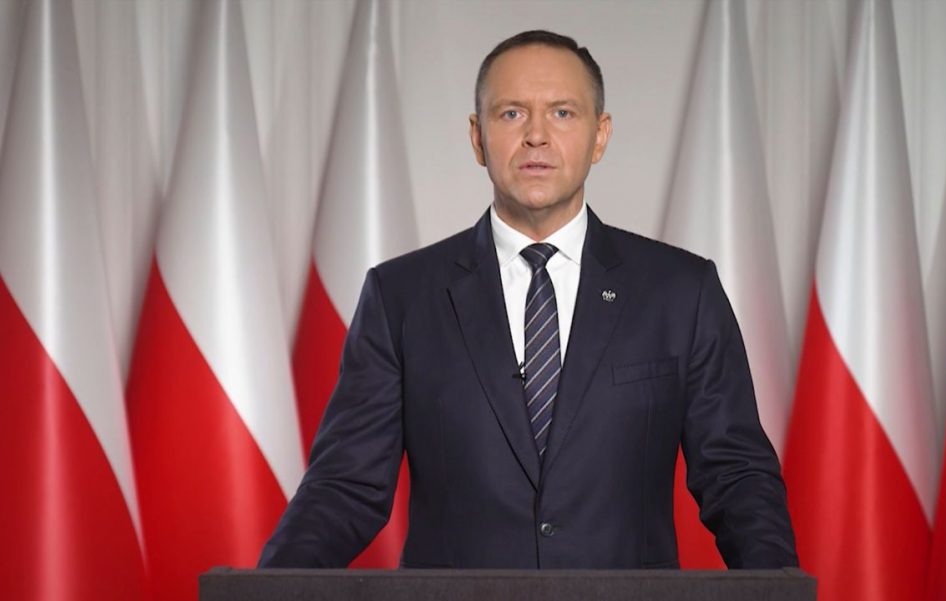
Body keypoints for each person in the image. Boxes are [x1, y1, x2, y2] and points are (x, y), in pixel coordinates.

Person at [259, 29, 797, 570]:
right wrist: (268, 587)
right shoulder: (401, 297)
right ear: (478, 138)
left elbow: (736, 476)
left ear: (600, 136)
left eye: (562, 113)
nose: (536, 136)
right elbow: (345, 486)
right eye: (512, 113)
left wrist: (778, 585)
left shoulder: (681, 292)